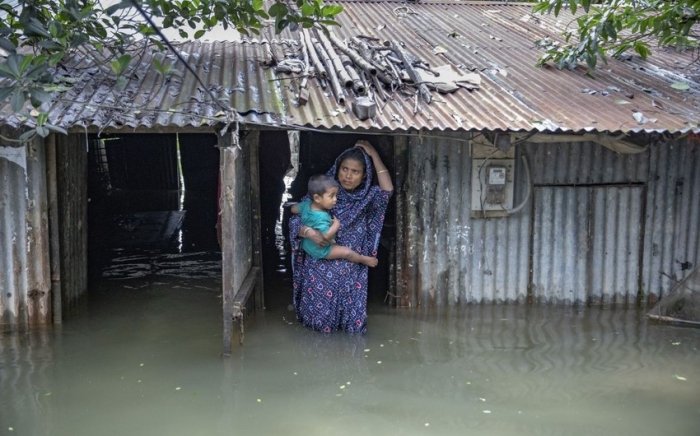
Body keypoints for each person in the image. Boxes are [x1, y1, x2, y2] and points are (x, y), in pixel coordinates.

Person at [289, 140, 393, 334]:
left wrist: (374, 155)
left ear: (364, 176)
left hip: (351, 269)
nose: (348, 175)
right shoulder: (323, 193)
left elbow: (387, 190)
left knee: (351, 327)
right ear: (337, 169)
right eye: (344, 169)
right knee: (317, 328)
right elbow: (296, 218)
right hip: (319, 266)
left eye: (355, 171)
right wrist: (309, 232)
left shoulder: (368, 197)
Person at [290, 174, 379, 267]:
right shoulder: (321, 217)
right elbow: (325, 236)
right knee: (347, 252)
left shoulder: (306, 205)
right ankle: (364, 259)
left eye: (336, 195)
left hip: (306, 244)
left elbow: (293, 208)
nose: (335, 199)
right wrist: (336, 225)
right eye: (331, 196)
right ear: (317, 198)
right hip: (320, 250)